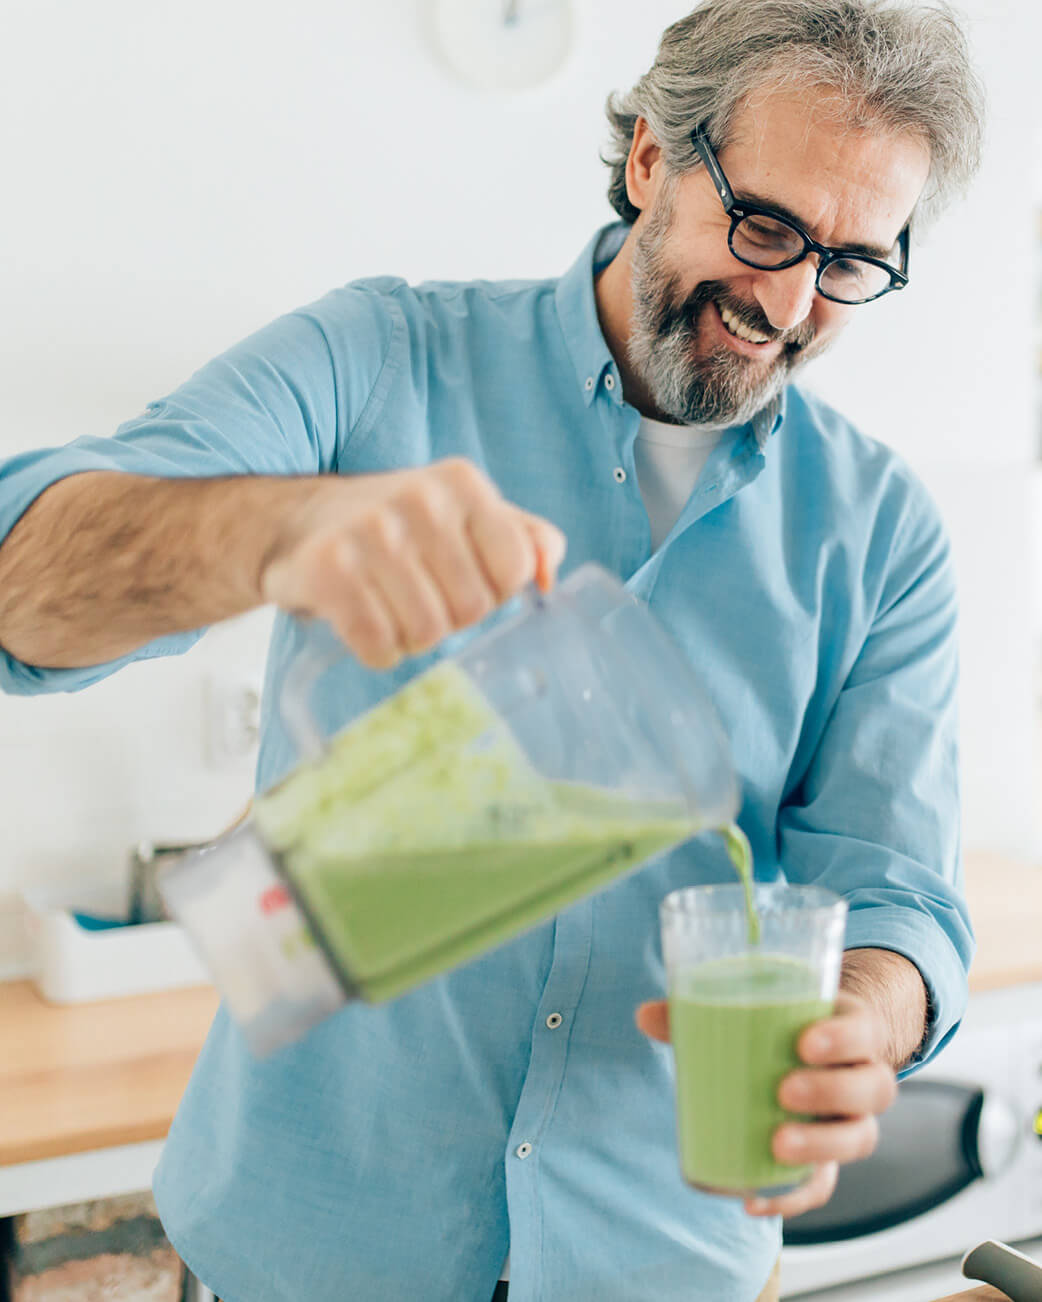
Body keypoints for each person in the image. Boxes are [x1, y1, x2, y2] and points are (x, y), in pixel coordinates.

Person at [0, 1, 985, 1298]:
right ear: (649, 157)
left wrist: (860, 1014)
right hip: (307, 1254)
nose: (789, 302)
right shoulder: (383, 359)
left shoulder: (878, 528)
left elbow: (895, 891)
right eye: (764, 227)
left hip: (658, 1262)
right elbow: (26, 585)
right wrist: (277, 526)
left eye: (852, 262)